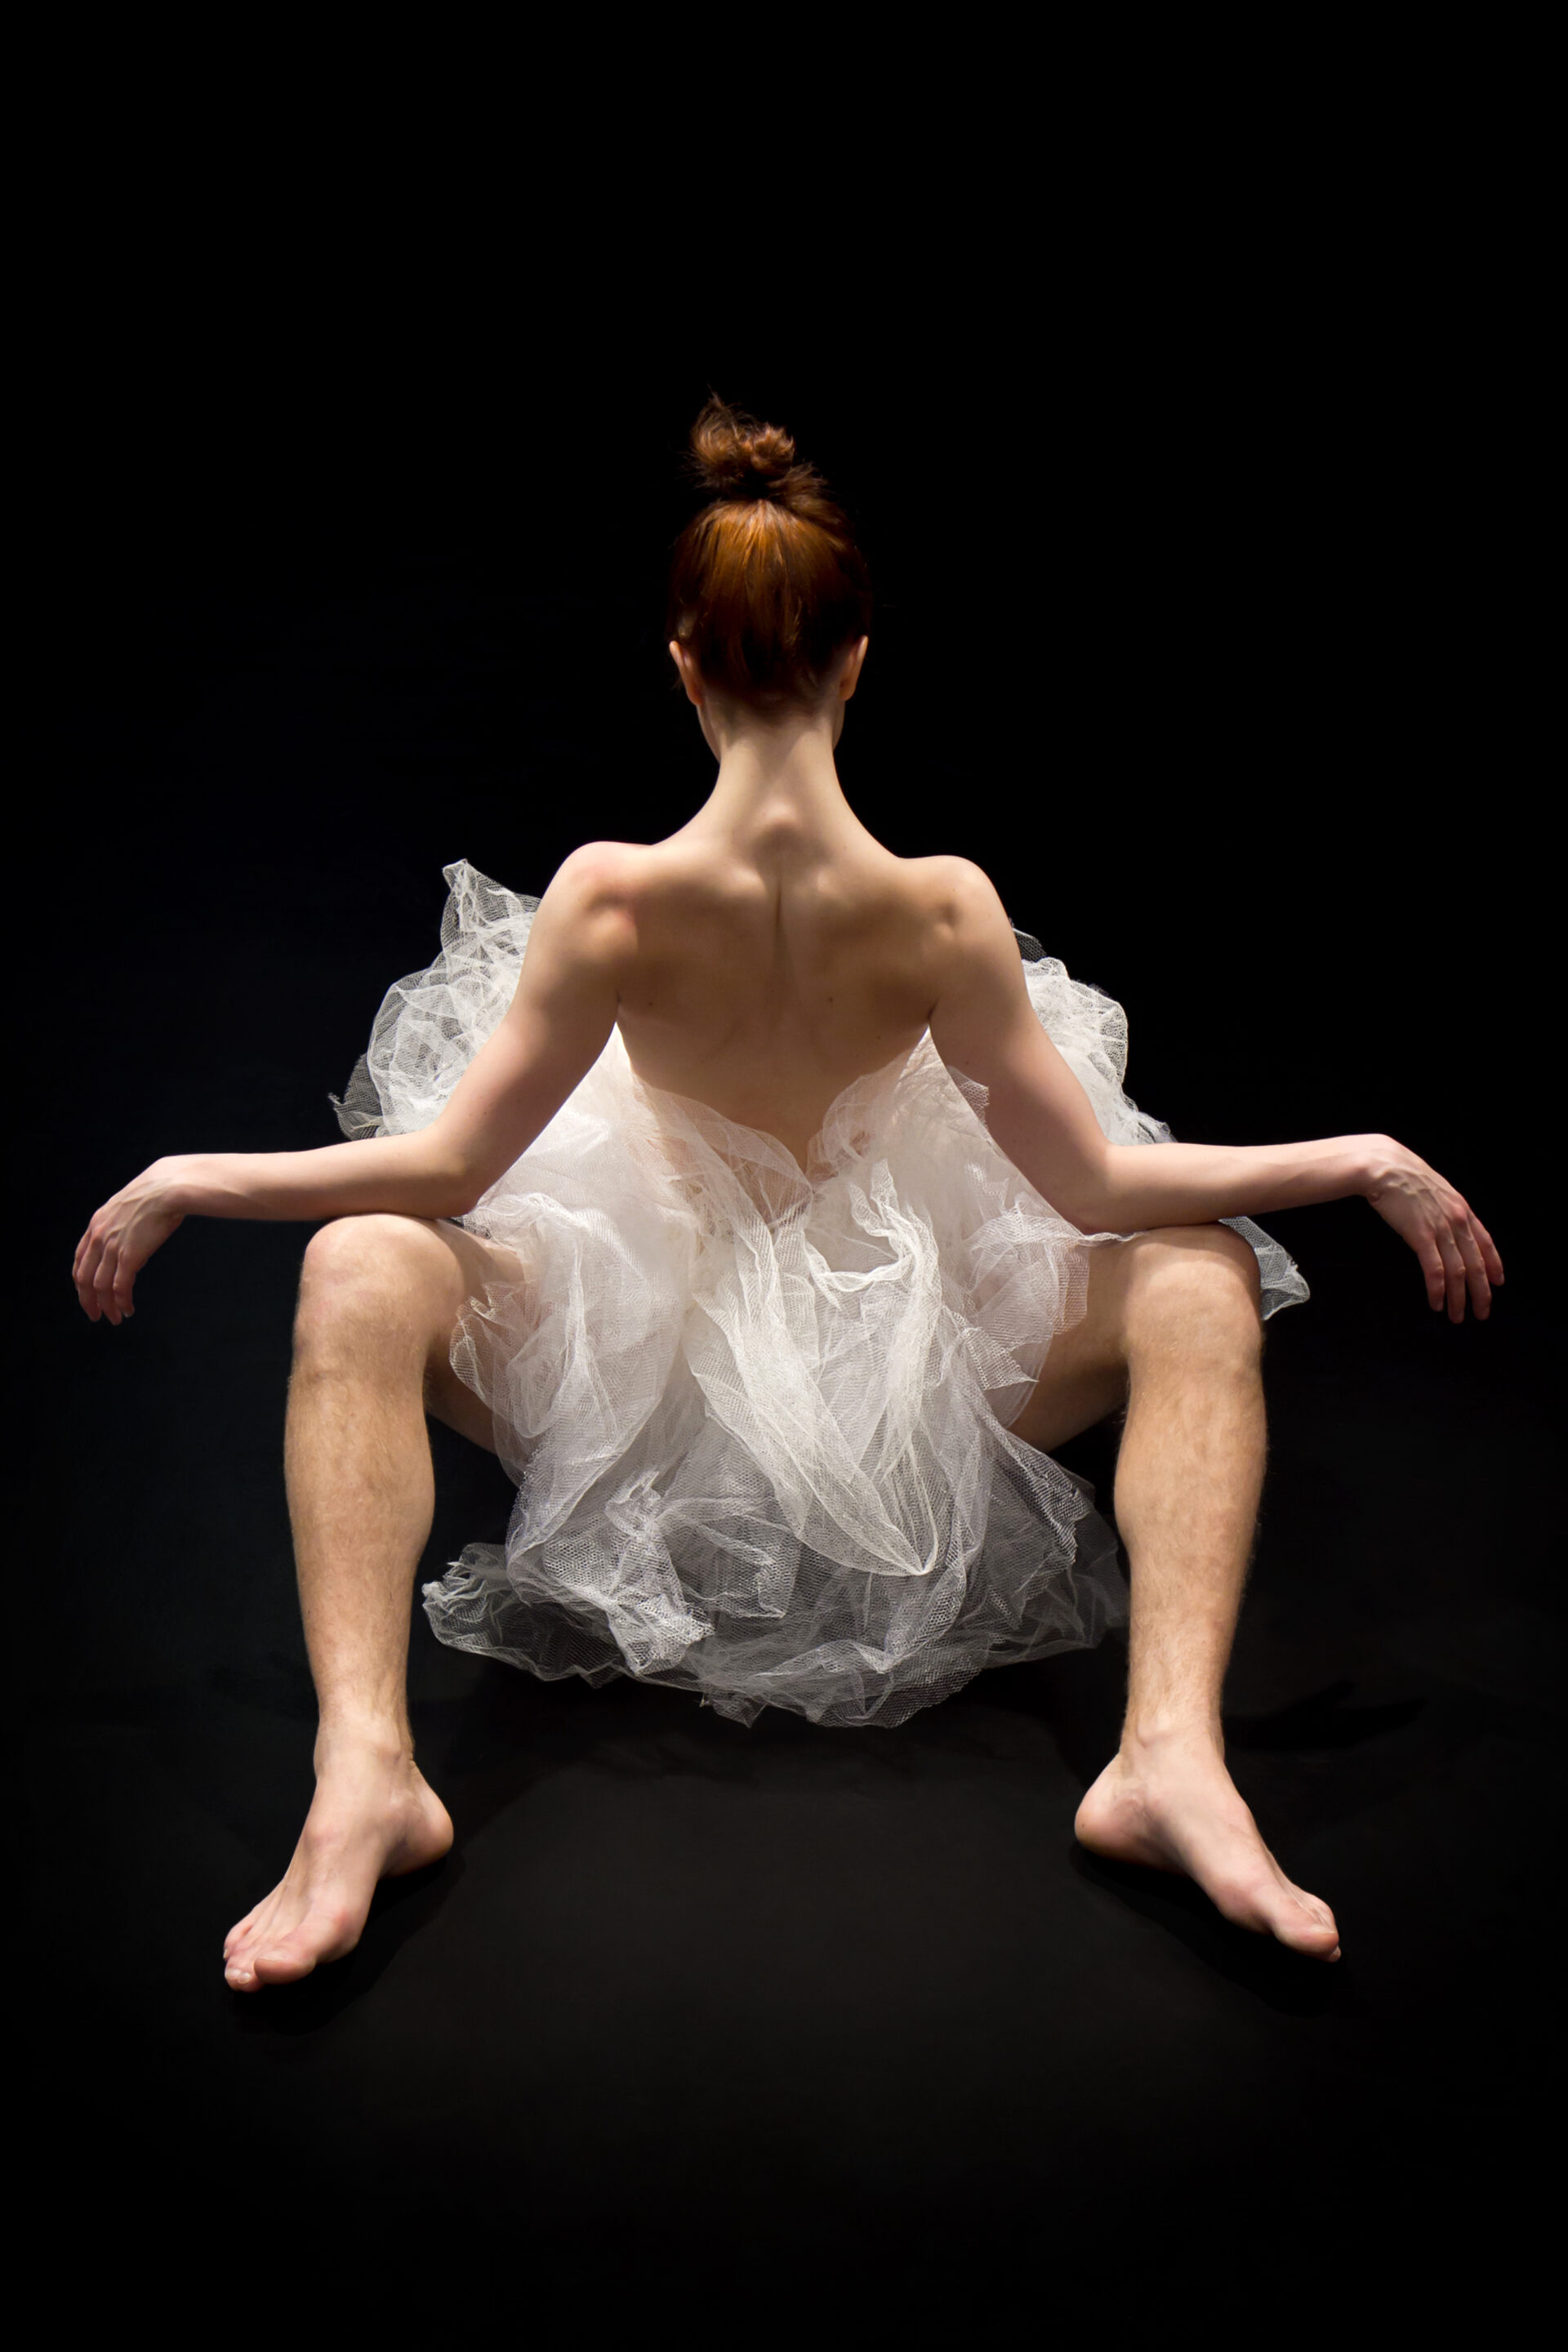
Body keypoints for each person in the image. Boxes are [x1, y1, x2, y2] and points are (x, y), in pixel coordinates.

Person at [73, 398, 1503, 1992]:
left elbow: (451, 1171)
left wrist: (191, 1176)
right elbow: (1100, 1186)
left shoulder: (615, 898)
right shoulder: (941, 910)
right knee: (1196, 1278)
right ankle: (369, 1780)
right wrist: (1358, 1159)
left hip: (725, 1370)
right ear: (858, 662)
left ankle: (1168, 1762)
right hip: (769, 1362)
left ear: (684, 663)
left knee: (359, 1263)